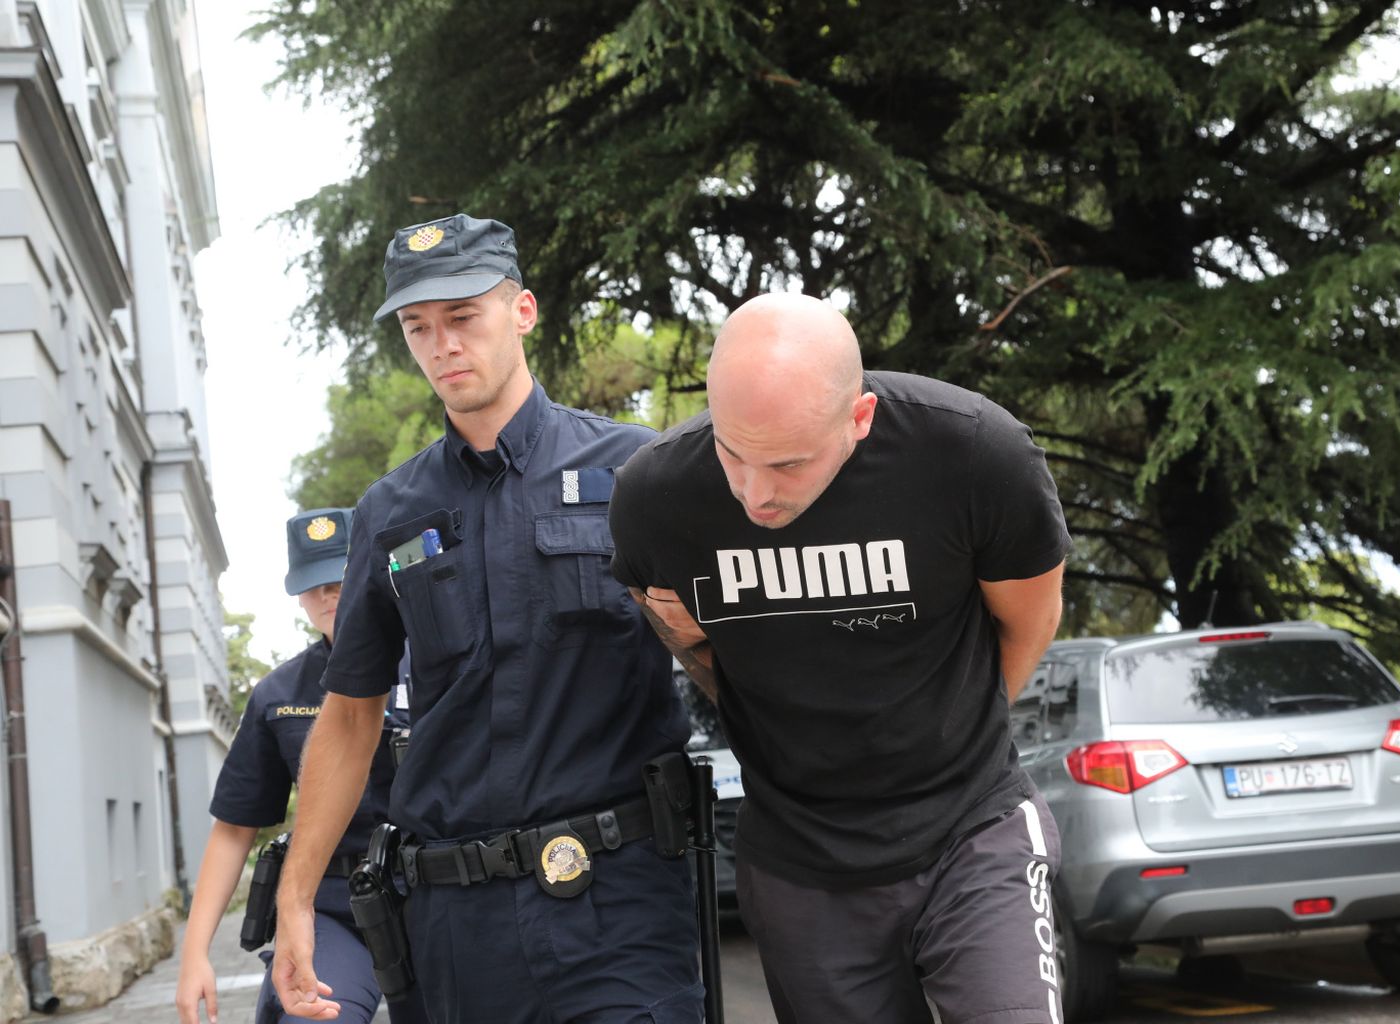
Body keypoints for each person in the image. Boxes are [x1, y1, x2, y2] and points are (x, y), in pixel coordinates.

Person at [270, 214, 702, 1023]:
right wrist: (296, 898)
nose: (443, 345)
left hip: (622, 903)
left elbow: (724, 660)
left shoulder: (637, 470)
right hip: (458, 926)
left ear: (522, 311)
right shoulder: (389, 512)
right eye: (418, 327)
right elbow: (352, 713)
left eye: (463, 316)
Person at [609, 293, 1073, 1024]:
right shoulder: (656, 497)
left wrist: (955, 735)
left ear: (859, 419)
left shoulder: (974, 454)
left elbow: (1030, 621)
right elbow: (697, 654)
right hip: (801, 866)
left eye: (788, 464)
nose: (755, 494)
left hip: (972, 830)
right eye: (732, 453)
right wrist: (694, 640)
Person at [175, 508, 425, 1024]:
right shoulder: (278, 694)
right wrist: (195, 953)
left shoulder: (434, 664)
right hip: (335, 906)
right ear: (299, 595)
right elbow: (234, 828)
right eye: (315, 585)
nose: (329, 594)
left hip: (437, 895)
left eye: (340, 578)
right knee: (311, 1017)